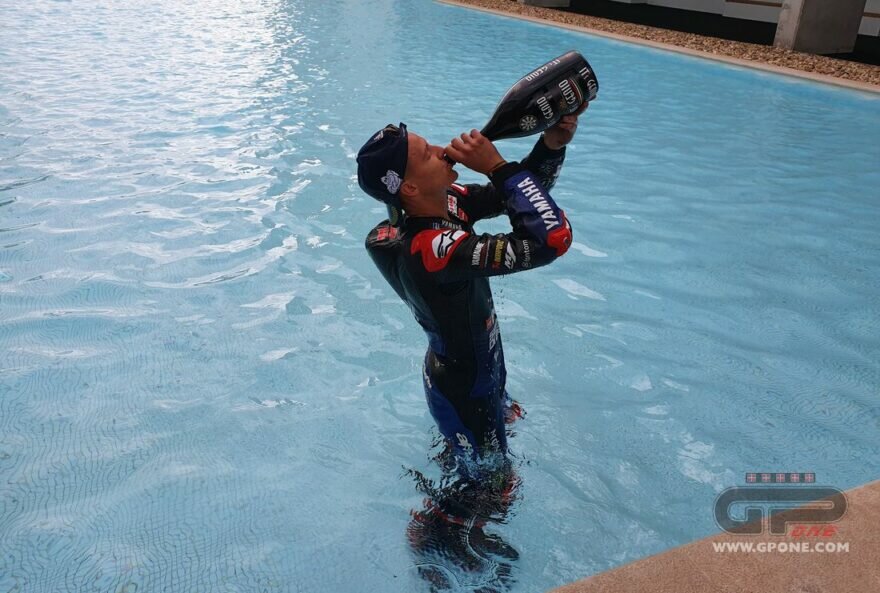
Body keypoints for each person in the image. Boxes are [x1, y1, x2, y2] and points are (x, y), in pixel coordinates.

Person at [356, 107, 586, 472]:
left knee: (493, 439)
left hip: (483, 365)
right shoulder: (432, 250)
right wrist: (497, 167)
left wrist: (551, 145)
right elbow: (551, 239)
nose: (440, 149)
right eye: (427, 154)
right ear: (411, 188)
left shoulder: (445, 202)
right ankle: (443, 505)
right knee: (492, 487)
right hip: (465, 390)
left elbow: (518, 198)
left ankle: (456, 453)